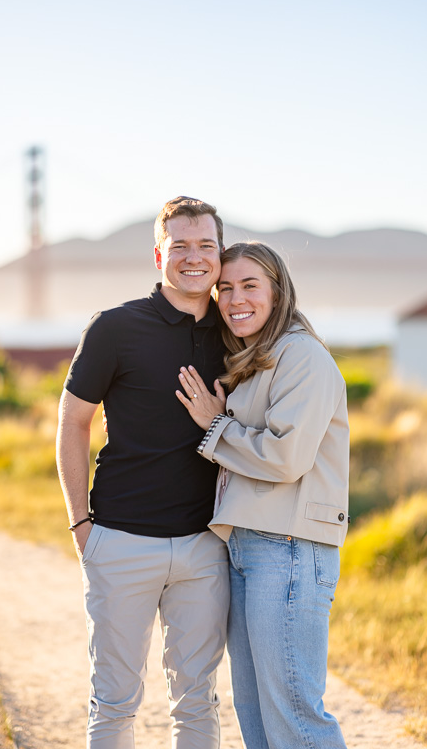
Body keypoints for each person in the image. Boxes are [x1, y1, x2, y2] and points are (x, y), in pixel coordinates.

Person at [56, 196, 230, 749]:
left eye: (206, 246)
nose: (194, 257)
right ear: (160, 254)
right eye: (180, 245)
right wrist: (81, 523)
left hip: (205, 547)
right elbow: (73, 422)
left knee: (198, 702)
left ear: (221, 254)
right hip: (121, 540)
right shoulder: (113, 327)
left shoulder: (238, 334)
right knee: (113, 705)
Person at [175, 241, 350, 749]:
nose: (234, 298)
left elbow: (286, 458)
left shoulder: (301, 356)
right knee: (256, 716)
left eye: (250, 285)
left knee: (293, 716)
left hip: (290, 548)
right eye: (224, 287)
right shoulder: (258, 360)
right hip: (251, 546)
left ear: (278, 291)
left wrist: (215, 427)